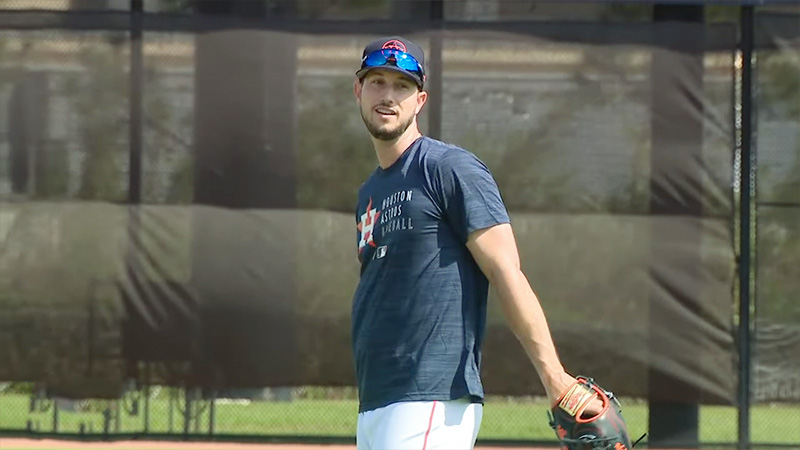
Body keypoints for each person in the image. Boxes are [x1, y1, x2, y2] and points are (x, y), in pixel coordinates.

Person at [351, 36, 600, 450]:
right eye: (377, 81)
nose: (388, 95)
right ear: (358, 90)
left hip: (432, 393)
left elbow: (506, 271)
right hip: (377, 398)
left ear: (421, 99)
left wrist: (555, 378)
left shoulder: (447, 167)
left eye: (402, 86)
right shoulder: (369, 193)